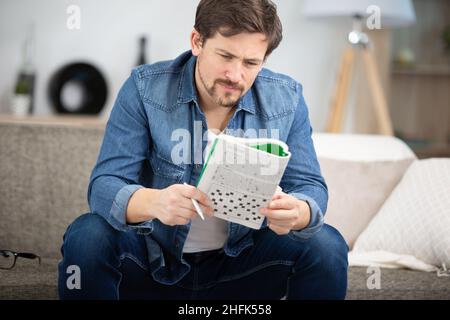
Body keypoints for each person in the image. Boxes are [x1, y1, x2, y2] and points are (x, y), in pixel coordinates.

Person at [58, 0, 348, 300]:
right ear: (197, 41)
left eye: (251, 63)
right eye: (225, 55)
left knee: (326, 244)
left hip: (243, 268)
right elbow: (104, 186)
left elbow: (310, 186)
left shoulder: (287, 99)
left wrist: (298, 211)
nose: (235, 75)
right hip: (153, 265)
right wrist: (154, 202)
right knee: (88, 234)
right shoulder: (144, 89)